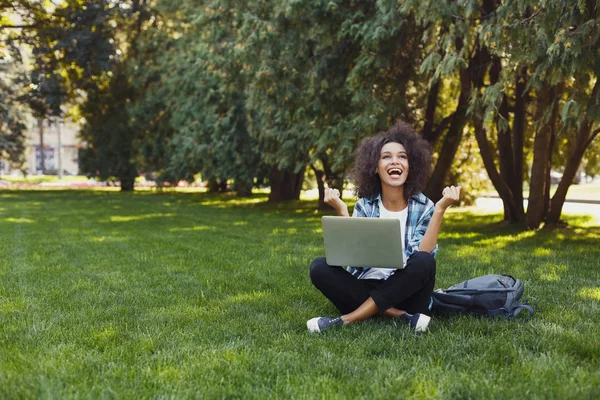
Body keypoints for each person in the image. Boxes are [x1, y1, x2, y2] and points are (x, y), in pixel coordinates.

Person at [307, 121, 461, 333]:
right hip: (367, 287)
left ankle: (346, 320)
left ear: (410, 166)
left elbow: (423, 259)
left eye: (402, 156)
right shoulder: (365, 205)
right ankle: (401, 316)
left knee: (424, 261)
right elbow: (355, 261)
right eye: (386, 156)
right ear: (375, 168)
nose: (394, 161)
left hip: (407, 293)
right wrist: (343, 211)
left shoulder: (424, 206)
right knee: (318, 267)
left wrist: (440, 210)